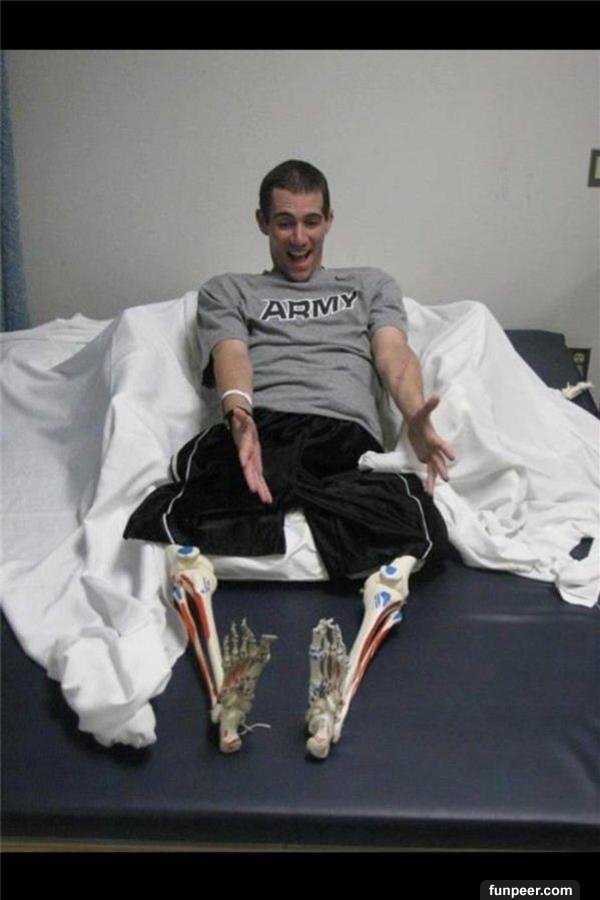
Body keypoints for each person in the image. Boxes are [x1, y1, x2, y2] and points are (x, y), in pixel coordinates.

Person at [124, 159, 455, 757]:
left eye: (310, 221)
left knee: (417, 527)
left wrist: (414, 415)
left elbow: (393, 355)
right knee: (183, 504)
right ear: (262, 223)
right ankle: (221, 687)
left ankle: (338, 682)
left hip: (343, 435)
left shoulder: (370, 284)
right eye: (284, 223)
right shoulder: (229, 289)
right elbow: (230, 354)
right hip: (262, 427)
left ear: (329, 221)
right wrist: (239, 414)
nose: (299, 238)